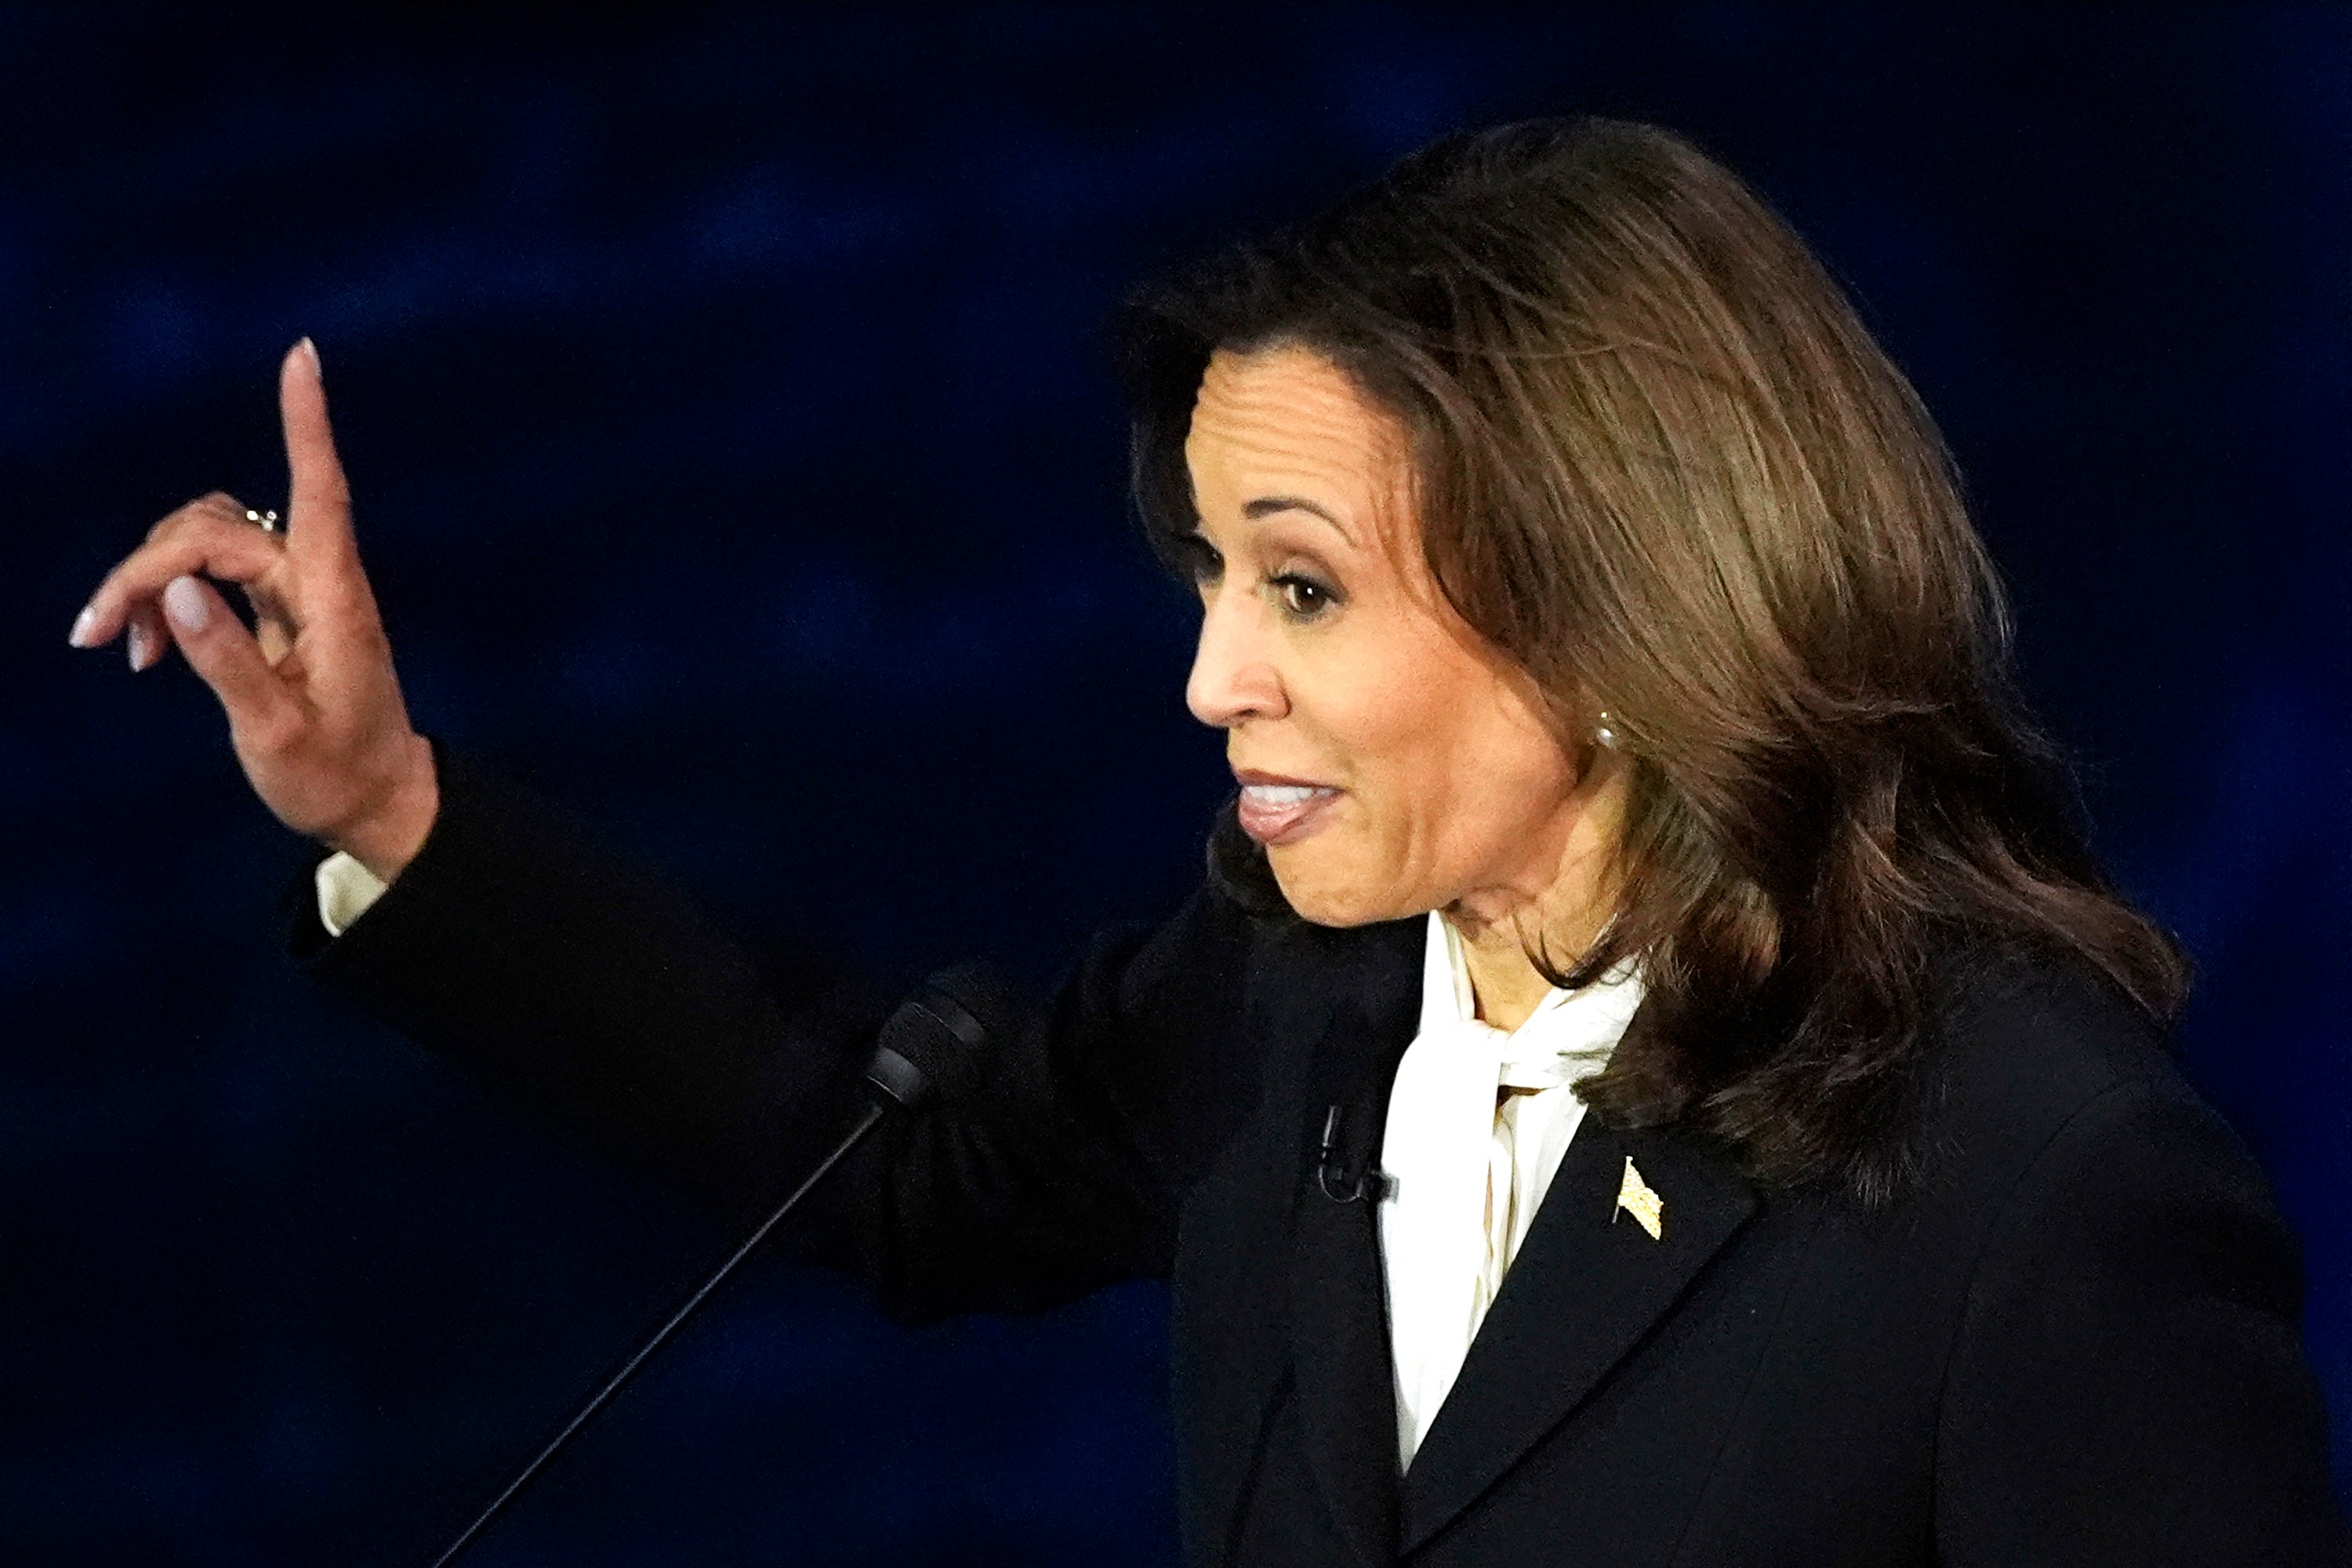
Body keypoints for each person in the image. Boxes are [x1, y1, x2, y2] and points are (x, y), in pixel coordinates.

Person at [71, 118, 2345, 1565]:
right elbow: (880, 1160)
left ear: (1615, 601)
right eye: (1211, 583)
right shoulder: (1296, 988)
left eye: (1302, 586)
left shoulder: (2040, 1182)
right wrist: (390, 815)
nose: (1209, 681)